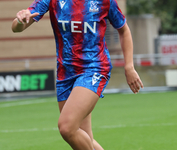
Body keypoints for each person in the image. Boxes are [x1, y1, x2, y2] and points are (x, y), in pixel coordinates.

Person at [12, 0, 143, 149]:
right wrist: (21, 20)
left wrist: (129, 67)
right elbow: (16, 28)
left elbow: (124, 30)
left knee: (67, 127)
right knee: (83, 136)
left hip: (94, 68)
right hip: (65, 74)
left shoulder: (105, 2)